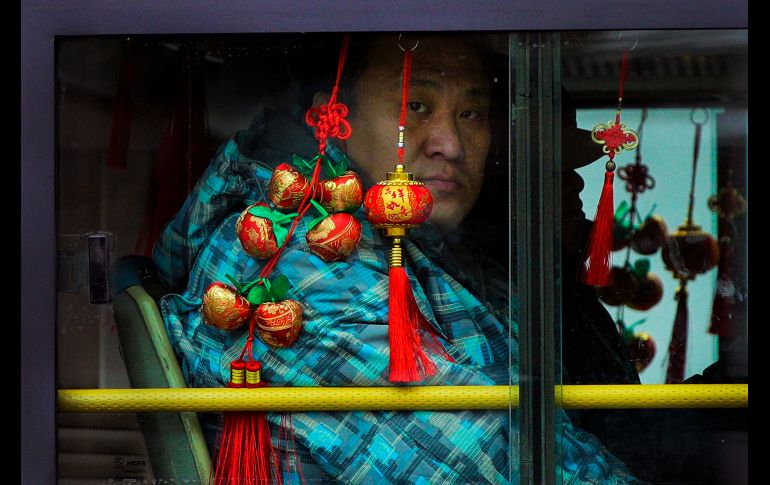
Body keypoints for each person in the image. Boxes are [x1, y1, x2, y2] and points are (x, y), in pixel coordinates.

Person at [153, 33, 643, 483]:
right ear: (334, 117)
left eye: (471, 113)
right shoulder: (305, 261)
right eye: (415, 105)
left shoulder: (436, 251)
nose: (450, 145)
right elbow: (494, 464)